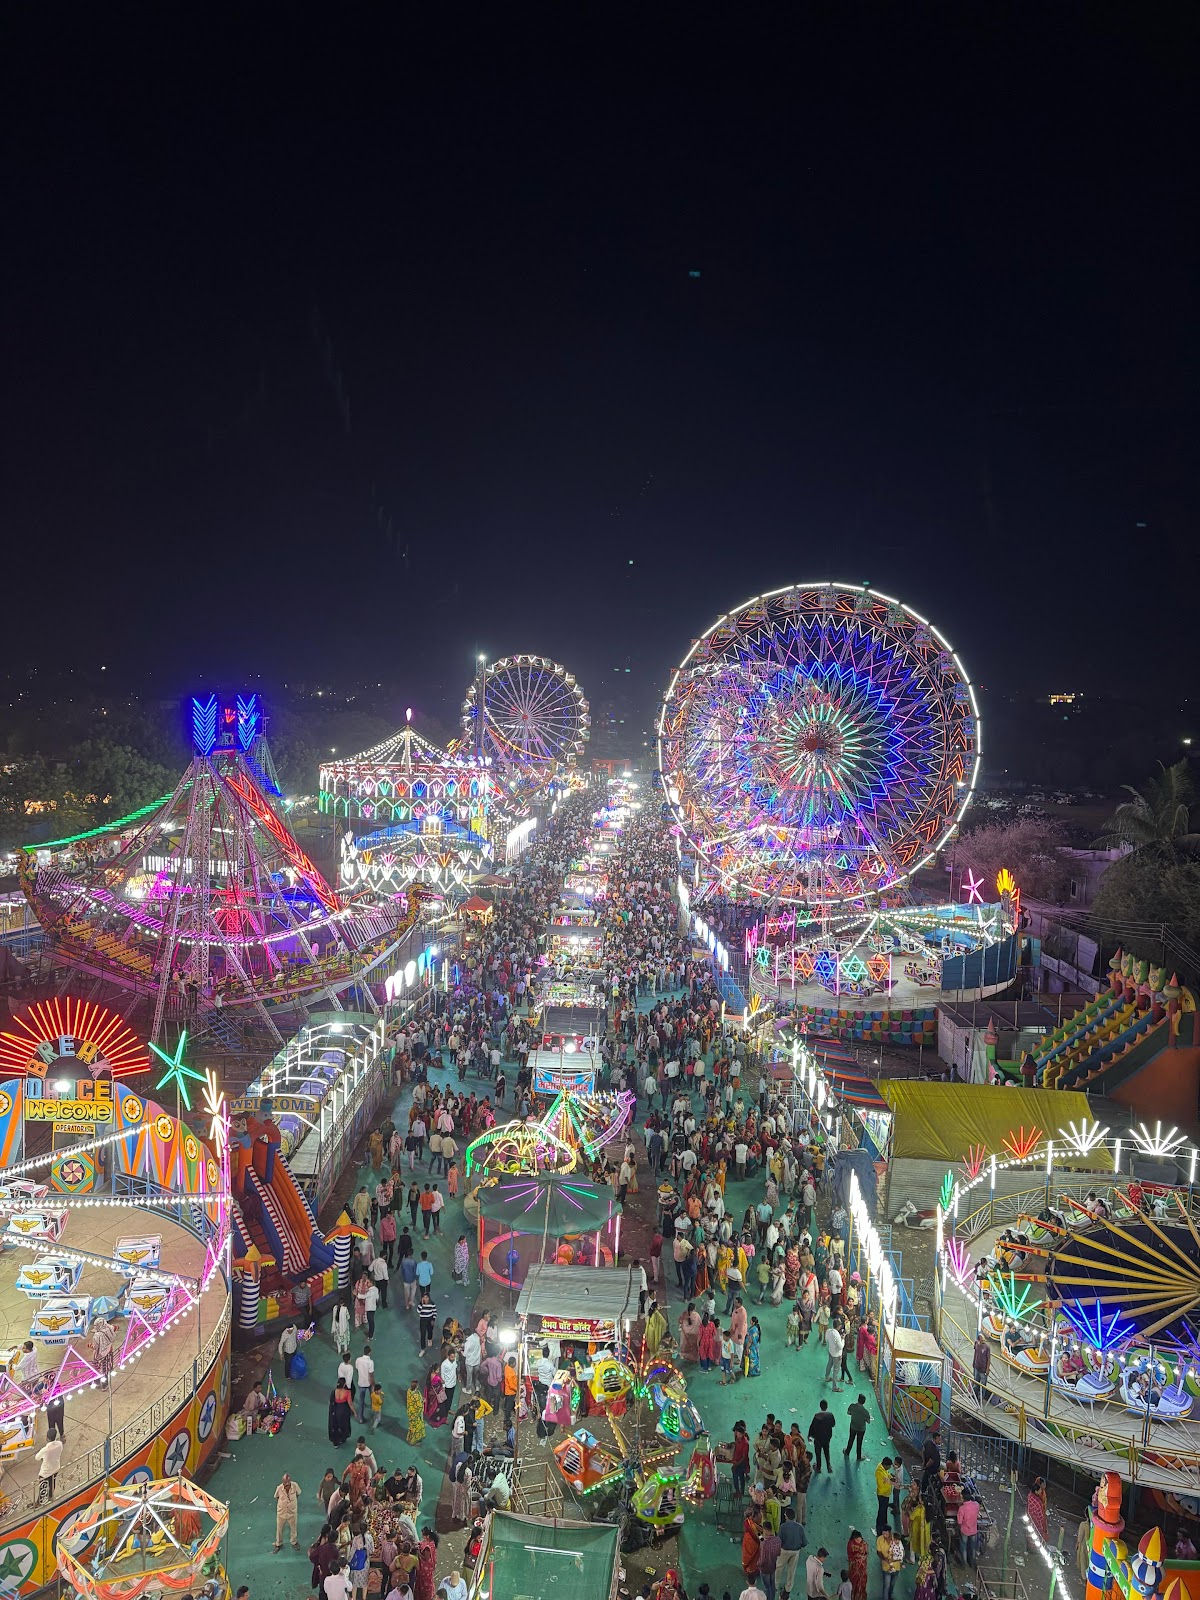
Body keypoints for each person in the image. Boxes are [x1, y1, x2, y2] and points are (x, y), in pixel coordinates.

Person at [778, 1509, 807, 1599]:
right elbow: (804, 1543)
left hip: (784, 1550)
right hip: (795, 1552)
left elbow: (779, 1541)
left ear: (786, 1516)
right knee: (791, 1570)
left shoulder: (783, 1526)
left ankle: (775, 1584)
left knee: (779, 1567)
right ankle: (788, 1588)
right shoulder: (800, 1527)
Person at [273, 1472, 300, 1551]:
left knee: (293, 1528)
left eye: (288, 1482)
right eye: (285, 1482)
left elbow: (298, 1494)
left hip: (292, 1513)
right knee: (279, 1529)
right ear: (283, 1482)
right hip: (281, 1513)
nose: (287, 1484)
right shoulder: (279, 1488)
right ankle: (278, 1543)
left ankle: (294, 1542)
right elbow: (276, 1497)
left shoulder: (295, 1486)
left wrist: (292, 1504)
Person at [807, 1401, 835, 1475]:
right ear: (827, 1406)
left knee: (818, 1453)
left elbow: (812, 1426)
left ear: (820, 1406)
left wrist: (810, 1436)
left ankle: (818, 1467)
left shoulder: (817, 1416)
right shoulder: (830, 1415)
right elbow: (833, 1424)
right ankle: (828, 1466)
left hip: (818, 1438)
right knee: (826, 1451)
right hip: (827, 1437)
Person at [876, 1528, 903, 1600]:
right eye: (883, 1534)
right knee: (886, 1586)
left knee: (892, 1585)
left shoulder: (896, 1539)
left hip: (896, 1566)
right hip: (886, 1567)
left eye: (886, 1534)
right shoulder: (880, 1539)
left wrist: (895, 1559)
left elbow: (901, 1552)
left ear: (890, 1533)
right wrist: (885, 1559)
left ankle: (890, 1597)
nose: (884, 1536)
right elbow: (878, 1552)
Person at [35, 1435, 62, 1503]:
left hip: (46, 1472)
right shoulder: (60, 1444)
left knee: (43, 1486)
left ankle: (39, 1502)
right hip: (55, 1468)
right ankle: (50, 1496)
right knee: (52, 1482)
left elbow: (37, 1458)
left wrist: (43, 1458)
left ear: (47, 1438)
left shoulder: (45, 1450)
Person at [844, 1394, 870, 1461]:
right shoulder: (865, 1412)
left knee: (851, 1439)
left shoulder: (852, 1406)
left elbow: (848, 1413)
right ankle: (858, 1456)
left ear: (858, 1399)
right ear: (864, 1402)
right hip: (861, 1429)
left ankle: (847, 1452)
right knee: (859, 1442)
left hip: (853, 1426)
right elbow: (868, 1421)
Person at [957, 1495, 980, 1568]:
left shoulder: (962, 1508)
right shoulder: (976, 1505)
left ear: (963, 1498)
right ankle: (972, 1563)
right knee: (973, 1547)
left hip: (965, 1531)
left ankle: (964, 1564)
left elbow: (959, 1522)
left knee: (963, 1547)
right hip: (974, 1530)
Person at [328, 1380, 353, 1447]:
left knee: (335, 1426)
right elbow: (350, 1404)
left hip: (335, 1411)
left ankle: (335, 1442)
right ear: (344, 1384)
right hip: (343, 1411)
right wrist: (355, 1412)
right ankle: (343, 1438)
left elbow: (331, 1402)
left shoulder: (334, 1392)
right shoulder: (347, 1392)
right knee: (344, 1425)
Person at [846, 1531, 868, 1600]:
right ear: (854, 1539)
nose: (858, 1541)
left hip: (862, 1569)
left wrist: (861, 1557)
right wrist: (858, 1557)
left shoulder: (864, 1544)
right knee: (854, 1585)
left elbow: (866, 1554)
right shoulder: (851, 1544)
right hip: (854, 1569)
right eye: (857, 1540)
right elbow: (850, 1555)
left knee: (862, 1585)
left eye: (859, 1539)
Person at [355, 1347, 375, 1423]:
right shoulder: (370, 1362)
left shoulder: (358, 1360)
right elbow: (371, 1374)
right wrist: (373, 1384)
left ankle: (360, 1418)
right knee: (373, 1397)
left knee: (361, 1400)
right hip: (368, 1382)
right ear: (369, 1352)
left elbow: (357, 1368)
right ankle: (374, 1414)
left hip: (361, 1382)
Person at [874, 1459, 894, 1534]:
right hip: (882, 1494)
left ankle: (884, 1523)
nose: (890, 1467)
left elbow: (887, 1473)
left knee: (884, 1509)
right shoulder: (879, 1472)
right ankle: (879, 1526)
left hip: (886, 1493)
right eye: (889, 1466)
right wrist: (890, 1482)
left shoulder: (884, 1469)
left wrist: (890, 1477)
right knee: (881, 1510)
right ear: (885, 1465)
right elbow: (881, 1485)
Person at [406, 1377, 426, 1445]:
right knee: (416, 1427)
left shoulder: (409, 1391)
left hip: (410, 1412)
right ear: (416, 1386)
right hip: (416, 1414)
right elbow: (419, 1406)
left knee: (412, 1426)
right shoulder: (416, 1396)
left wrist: (421, 1399)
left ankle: (409, 1438)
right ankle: (413, 1442)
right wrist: (423, 1401)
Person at [972, 1333, 991, 1402]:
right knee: (975, 1383)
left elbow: (989, 1359)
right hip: (977, 1367)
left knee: (982, 1385)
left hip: (983, 1369)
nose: (983, 1341)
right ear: (979, 1340)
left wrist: (987, 1369)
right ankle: (974, 1395)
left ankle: (981, 1398)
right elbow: (975, 1353)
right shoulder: (976, 1344)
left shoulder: (987, 1347)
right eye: (982, 1340)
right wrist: (974, 1362)